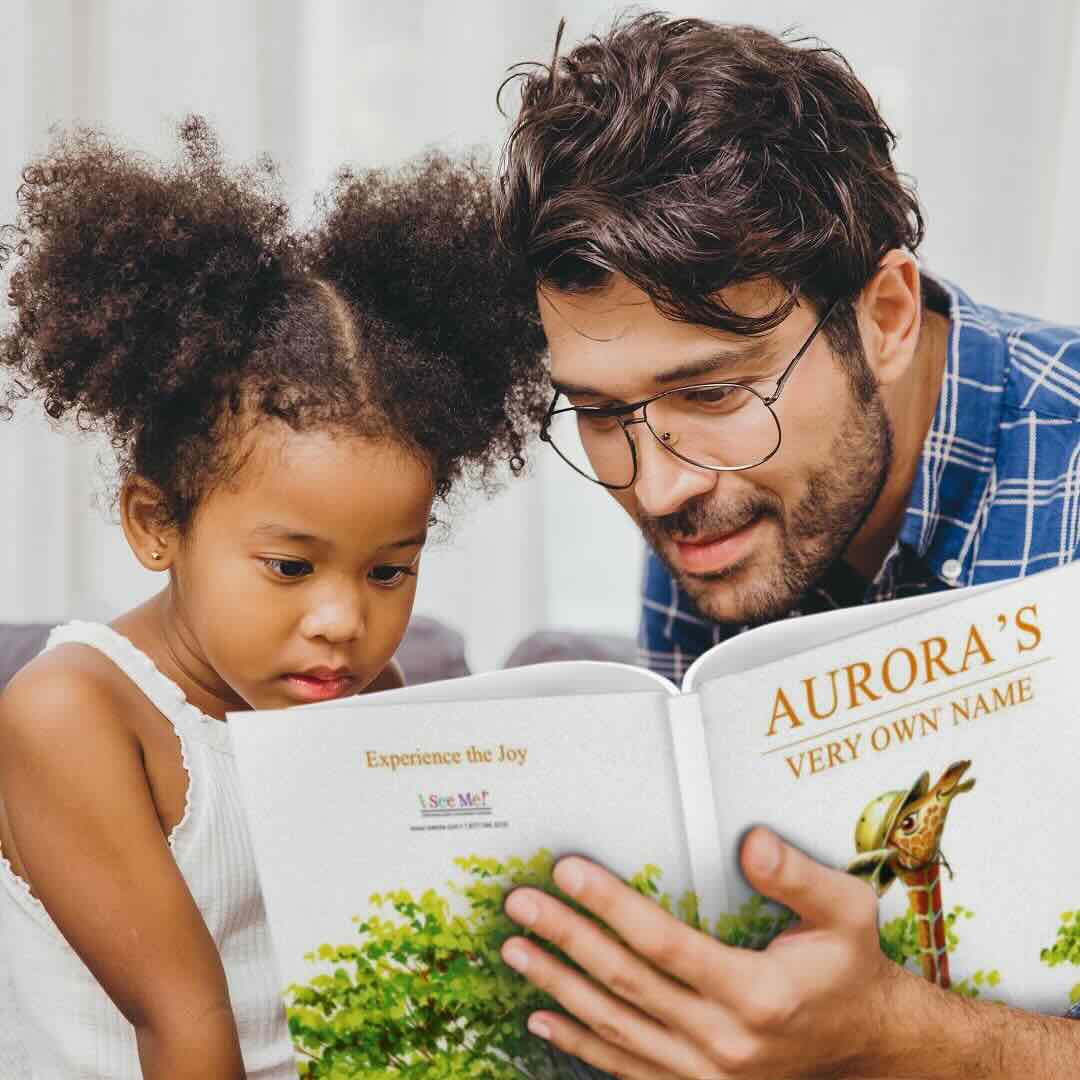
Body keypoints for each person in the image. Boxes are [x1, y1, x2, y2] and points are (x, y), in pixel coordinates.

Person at [493, 13, 1080, 1079]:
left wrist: (908, 1036)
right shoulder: (716, 495)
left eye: (714, 391)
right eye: (598, 412)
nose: (659, 487)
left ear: (888, 315)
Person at [0, 118, 546, 1079]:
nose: (344, 621)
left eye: (389, 570)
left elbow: (397, 991)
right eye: (291, 567)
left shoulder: (361, 696)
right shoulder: (71, 713)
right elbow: (185, 1024)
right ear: (155, 523)